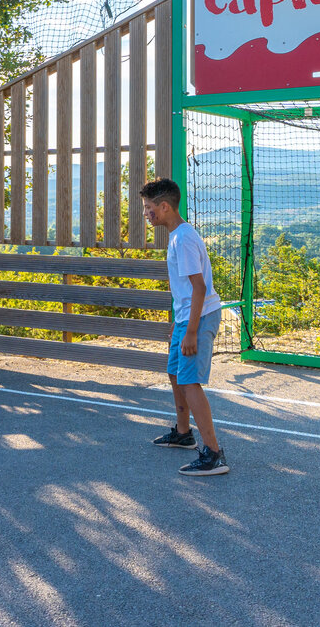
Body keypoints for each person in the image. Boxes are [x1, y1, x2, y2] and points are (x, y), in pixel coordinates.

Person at [140, 177, 229, 476]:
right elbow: (183, 291)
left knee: (190, 381)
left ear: (164, 207)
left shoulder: (184, 239)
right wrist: (179, 324)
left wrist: (191, 330)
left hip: (200, 316)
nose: (146, 214)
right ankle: (183, 432)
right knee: (175, 371)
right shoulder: (177, 235)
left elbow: (199, 289)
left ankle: (214, 453)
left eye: (149, 208)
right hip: (187, 317)